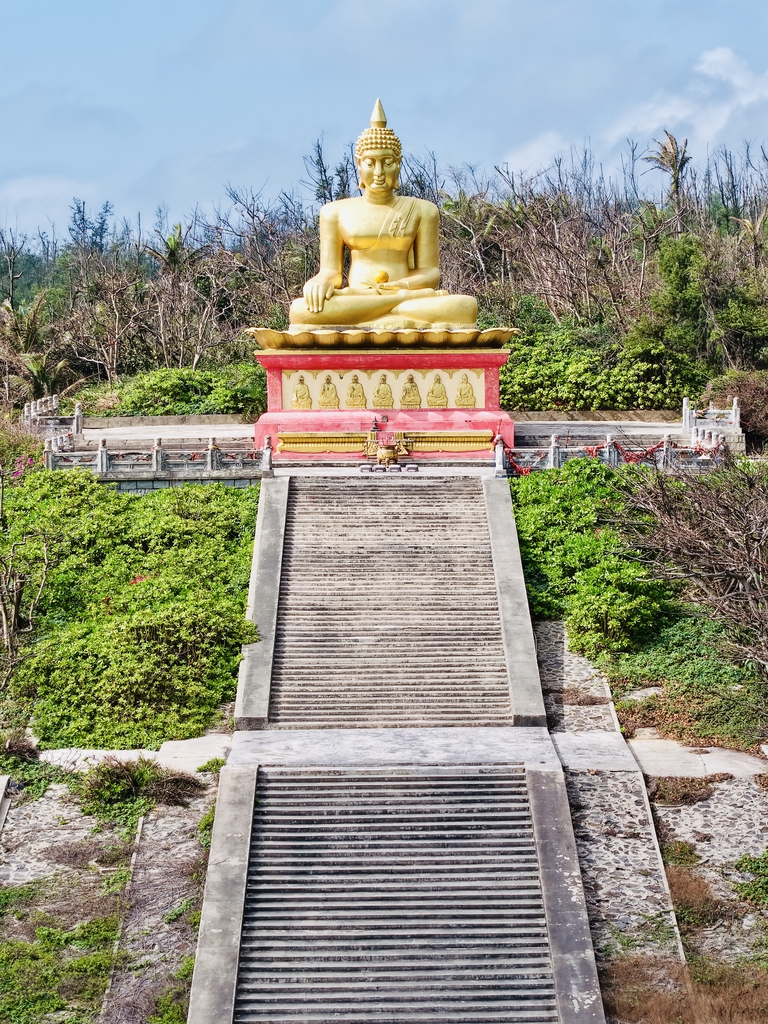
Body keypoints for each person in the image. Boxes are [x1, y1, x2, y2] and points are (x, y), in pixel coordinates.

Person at [289, 100, 477, 329]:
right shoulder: (334, 212)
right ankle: (393, 313)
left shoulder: (422, 210)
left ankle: (388, 311)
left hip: (406, 296)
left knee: (464, 306)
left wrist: (401, 289)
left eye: (387, 163)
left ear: (398, 165)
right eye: (371, 163)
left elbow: (430, 273)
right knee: (300, 310)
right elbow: (331, 272)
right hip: (358, 296)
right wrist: (319, 282)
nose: (378, 172)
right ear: (359, 164)